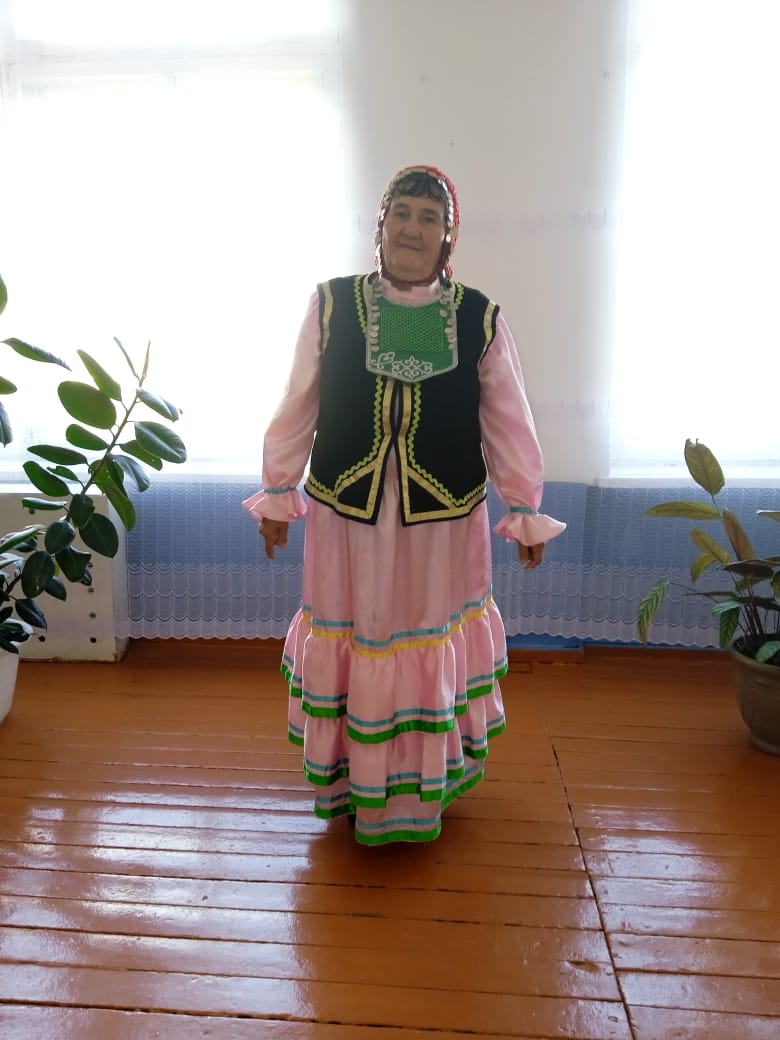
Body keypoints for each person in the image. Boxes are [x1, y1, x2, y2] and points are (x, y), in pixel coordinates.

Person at [243, 164, 565, 846]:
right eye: (402, 213)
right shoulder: (332, 304)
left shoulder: (478, 317)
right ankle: (355, 782)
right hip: (349, 516)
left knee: (423, 641)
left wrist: (524, 505)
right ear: (380, 224)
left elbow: (508, 418)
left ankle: (421, 788)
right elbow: (299, 401)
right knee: (359, 638)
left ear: (448, 235)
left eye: (429, 218)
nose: (413, 229)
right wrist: (277, 491)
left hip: (439, 522)